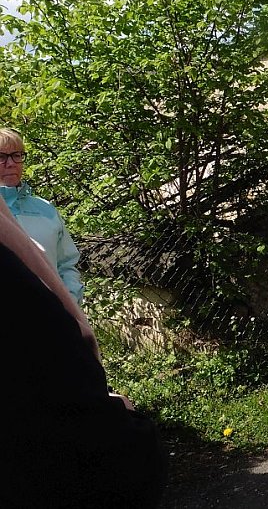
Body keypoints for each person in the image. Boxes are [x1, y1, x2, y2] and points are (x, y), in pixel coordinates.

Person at [1, 195, 167, 508]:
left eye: (16, 161)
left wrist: (70, 303)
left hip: (49, 318)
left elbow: (64, 261)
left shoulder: (42, 209)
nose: (9, 168)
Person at [0, 126, 84, 302]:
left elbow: (67, 264)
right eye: (1, 157)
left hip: (50, 312)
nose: (11, 163)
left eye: (16, 155)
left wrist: (70, 302)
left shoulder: (45, 209)